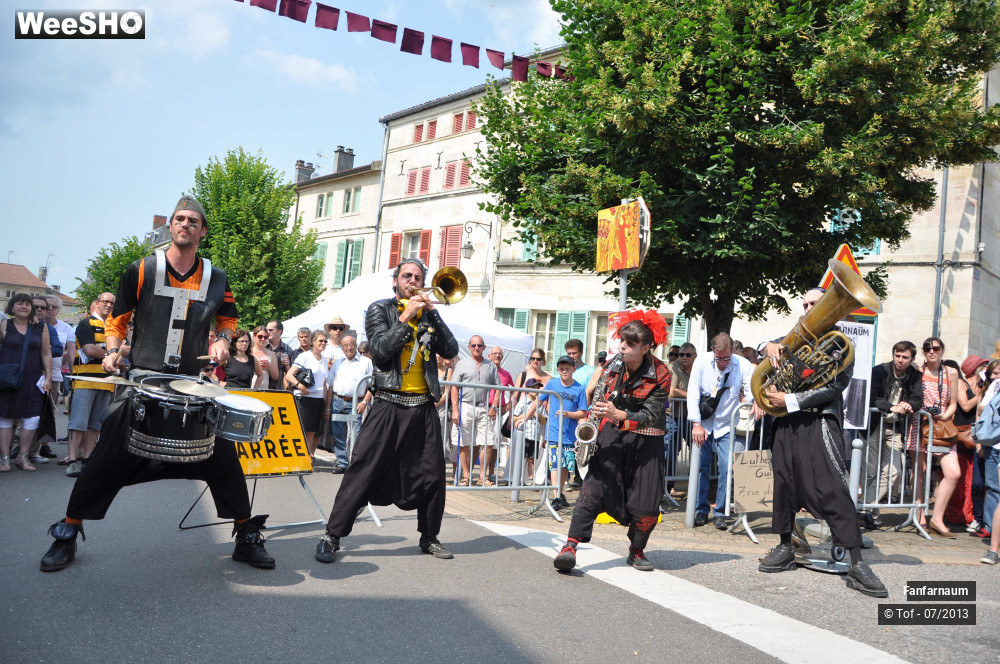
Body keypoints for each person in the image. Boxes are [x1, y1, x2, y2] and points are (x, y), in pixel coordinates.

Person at [39, 195, 274, 573]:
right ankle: (66, 534)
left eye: (193, 221)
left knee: (224, 461)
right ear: (171, 226)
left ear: (203, 231)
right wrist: (113, 351)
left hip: (193, 384)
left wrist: (224, 340)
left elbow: (228, 319)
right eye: (180, 219)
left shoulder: (217, 277)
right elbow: (117, 320)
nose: (185, 225)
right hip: (143, 379)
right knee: (105, 459)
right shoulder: (142, 269)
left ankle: (246, 536)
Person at [315, 258, 458, 563]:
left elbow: (451, 350)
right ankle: (332, 535)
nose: (413, 281)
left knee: (433, 475)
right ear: (396, 281)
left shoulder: (428, 315)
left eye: (419, 277)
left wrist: (433, 313)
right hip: (388, 404)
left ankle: (430, 537)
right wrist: (406, 316)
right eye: (407, 276)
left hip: (422, 406)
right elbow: (380, 352)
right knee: (362, 469)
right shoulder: (380, 309)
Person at [755, 287, 886, 598]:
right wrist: (769, 345)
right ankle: (786, 546)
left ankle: (856, 561)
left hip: (819, 420)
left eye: (816, 303)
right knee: (784, 483)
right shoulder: (796, 337)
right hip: (787, 423)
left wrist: (791, 398)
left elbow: (835, 386)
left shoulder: (841, 343)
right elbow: (762, 348)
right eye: (805, 304)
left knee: (833, 486)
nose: (809, 308)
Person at [553, 314, 672, 572]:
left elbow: (651, 414)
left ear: (645, 347)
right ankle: (570, 546)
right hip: (612, 434)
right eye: (622, 341)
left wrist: (619, 415)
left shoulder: (662, 372)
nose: (622, 347)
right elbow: (597, 395)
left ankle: (636, 550)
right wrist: (597, 411)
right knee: (592, 489)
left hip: (647, 440)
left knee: (647, 500)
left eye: (629, 344)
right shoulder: (612, 364)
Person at [687, 333, 753, 529]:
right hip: (704, 422)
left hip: (727, 423)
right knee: (701, 467)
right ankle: (700, 510)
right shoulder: (701, 362)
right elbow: (692, 392)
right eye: (719, 358)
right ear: (713, 351)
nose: (723, 362)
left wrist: (752, 402)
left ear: (732, 351)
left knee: (726, 467)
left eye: (727, 358)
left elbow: (751, 389)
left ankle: (720, 512)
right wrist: (696, 424)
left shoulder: (742, 365)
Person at [905, 336, 961, 537]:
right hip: (919, 424)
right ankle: (919, 515)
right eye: (927, 348)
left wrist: (945, 414)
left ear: (942, 351)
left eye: (935, 348)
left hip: (942, 427)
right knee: (920, 470)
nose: (932, 351)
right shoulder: (917, 370)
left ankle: (937, 518)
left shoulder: (951, 372)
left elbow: (953, 402)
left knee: (953, 473)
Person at [862, 340, 923, 523]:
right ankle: (868, 513)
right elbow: (872, 398)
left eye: (905, 357)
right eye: (897, 355)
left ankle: (865, 508)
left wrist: (908, 405)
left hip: (896, 428)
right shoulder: (879, 371)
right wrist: (892, 407)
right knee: (870, 471)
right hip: (874, 425)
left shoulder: (914, 375)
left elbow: (918, 399)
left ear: (912, 358)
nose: (900, 360)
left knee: (893, 471)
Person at [0, 293, 52, 473]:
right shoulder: (4, 324)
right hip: (8, 377)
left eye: (27, 304)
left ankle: (23, 456)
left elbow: (46, 353)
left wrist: (49, 378)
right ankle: (5, 458)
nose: (24, 306)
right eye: (19, 303)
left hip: (33, 376)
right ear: (12, 307)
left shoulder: (40, 327)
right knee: (6, 416)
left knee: (32, 416)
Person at [65, 295, 116, 477]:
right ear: (97, 303)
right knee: (78, 422)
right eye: (106, 302)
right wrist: (113, 355)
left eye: (112, 303)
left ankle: (87, 458)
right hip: (85, 380)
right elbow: (90, 349)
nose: (109, 305)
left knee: (96, 424)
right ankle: (72, 460)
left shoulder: (114, 328)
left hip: (108, 382)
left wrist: (116, 354)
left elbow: (126, 352)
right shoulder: (87, 323)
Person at [535, 355, 588, 508]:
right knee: (555, 464)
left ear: (573, 369)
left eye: (567, 369)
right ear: (557, 370)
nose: (564, 371)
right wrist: (524, 416)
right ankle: (556, 496)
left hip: (569, 435)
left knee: (565, 466)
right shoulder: (552, 383)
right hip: (553, 433)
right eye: (561, 369)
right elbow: (539, 400)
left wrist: (568, 414)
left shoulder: (579, 388)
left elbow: (583, 412)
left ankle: (559, 492)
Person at [451, 335, 499, 486]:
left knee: (488, 441)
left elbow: (498, 388)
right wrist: (455, 409)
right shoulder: (462, 364)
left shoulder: (490, 365)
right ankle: (466, 476)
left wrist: (494, 406)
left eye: (479, 345)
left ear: (484, 347)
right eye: (473, 345)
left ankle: (482, 476)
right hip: (465, 405)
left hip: (483, 406)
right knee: (464, 442)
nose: (476, 348)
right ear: (469, 347)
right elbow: (454, 387)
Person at [327, 333, 373, 473]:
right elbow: (330, 386)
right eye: (345, 345)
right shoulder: (338, 363)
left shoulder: (366, 362)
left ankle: (355, 463)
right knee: (338, 434)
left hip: (356, 403)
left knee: (356, 434)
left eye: (351, 345)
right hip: (337, 401)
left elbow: (372, 385)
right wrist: (327, 408)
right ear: (341, 348)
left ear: (356, 346)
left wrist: (364, 402)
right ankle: (342, 463)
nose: (348, 348)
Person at [285, 330, 331, 457]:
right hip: (304, 399)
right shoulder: (304, 356)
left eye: (325, 341)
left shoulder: (324, 360)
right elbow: (289, 375)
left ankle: (307, 457)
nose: (323, 343)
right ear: (313, 342)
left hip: (318, 399)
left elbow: (324, 383)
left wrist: (326, 405)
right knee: (300, 429)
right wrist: (300, 386)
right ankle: (295, 456)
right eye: (320, 340)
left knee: (312, 431)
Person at [485, 345, 513, 485]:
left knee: (494, 444)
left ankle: (491, 473)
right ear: (489, 356)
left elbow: (514, 391)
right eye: (494, 353)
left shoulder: (506, 374)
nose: (497, 355)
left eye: (499, 354)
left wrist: (508, 406)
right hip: (484, 409)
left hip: (499, 412)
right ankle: (479, 474)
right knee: (482, 443)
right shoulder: (484, 370)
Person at [511, 377, 544, 484]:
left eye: (537, 388)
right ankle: (517, 478)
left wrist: (537, 414)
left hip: (535, 435)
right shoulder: (522, 403)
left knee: (532, 458)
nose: (536, 390)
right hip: (524, 434)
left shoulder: (540, 405)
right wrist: (525, 416)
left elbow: (544, 421)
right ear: (528, 389)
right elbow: (513, 418)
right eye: (533, 387)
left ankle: (531, 478)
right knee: (521, 457)